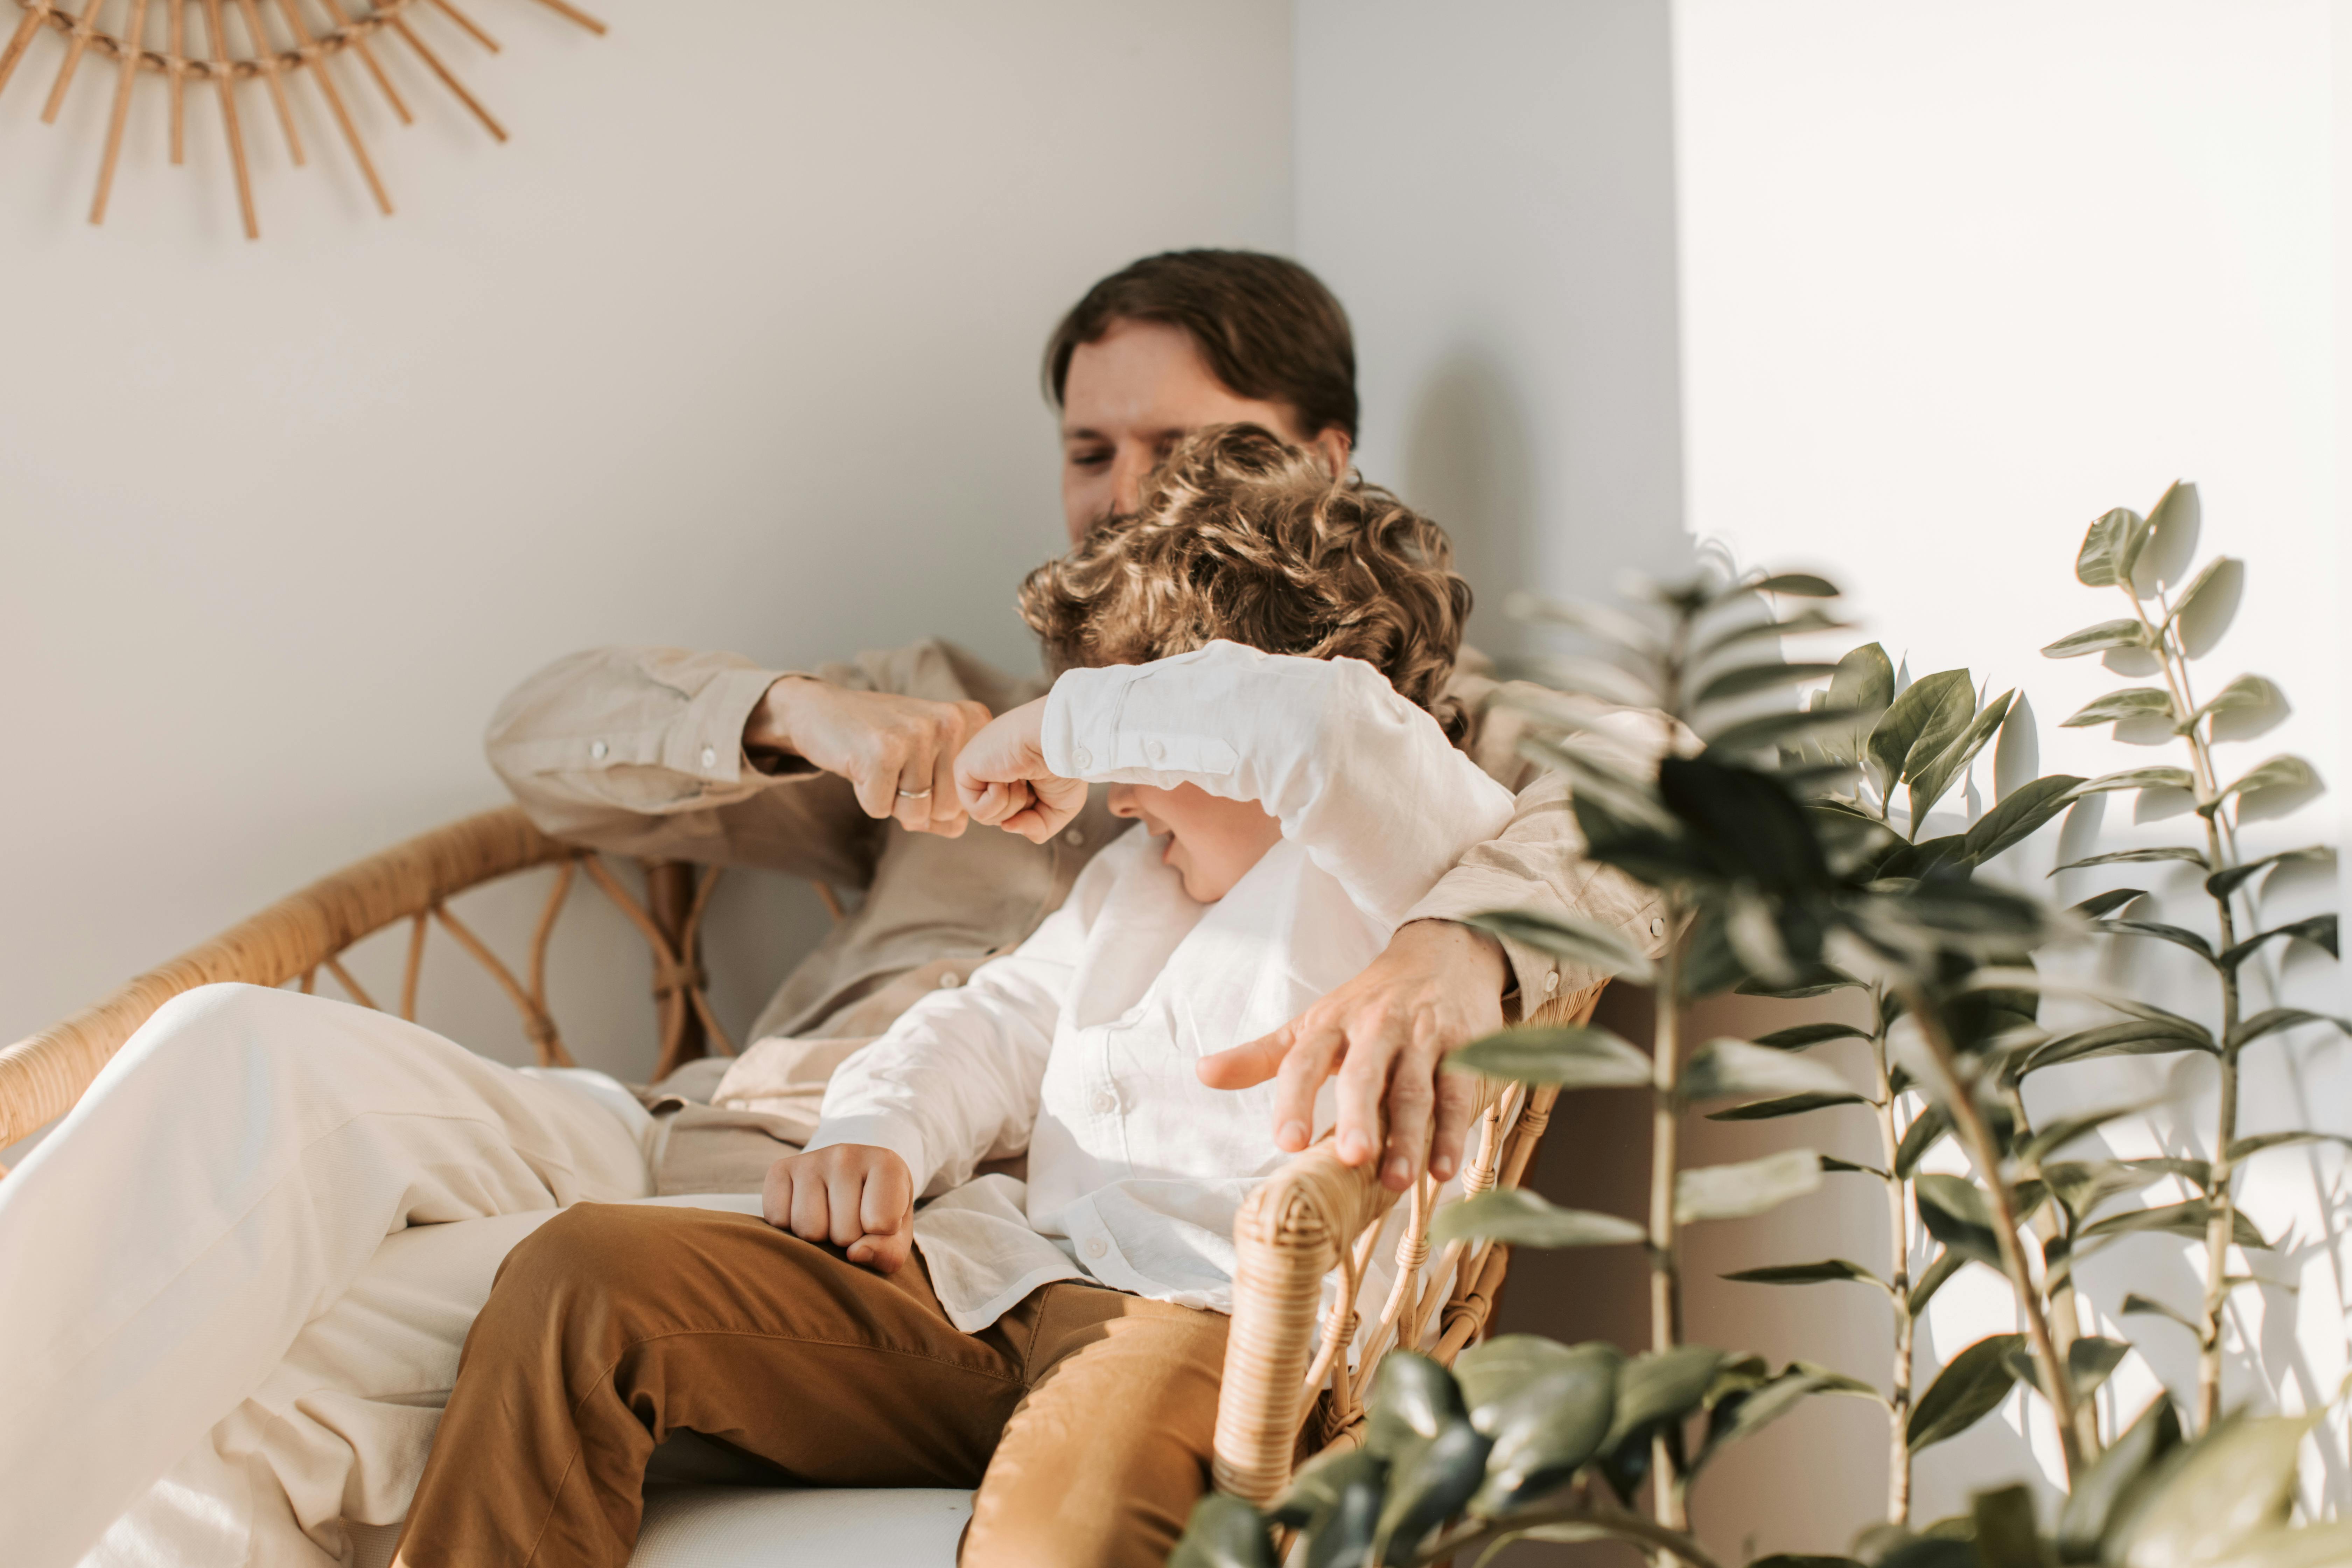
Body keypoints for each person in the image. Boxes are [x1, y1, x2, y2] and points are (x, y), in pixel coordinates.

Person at [0, 250, 1659, 1568]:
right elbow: (548, 743)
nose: (1119, 490)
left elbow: (1631, 788)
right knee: (228, 1053)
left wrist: (1456, 942)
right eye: (1091, 451)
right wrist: (810, 716)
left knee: (219, 1377)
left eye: (1184, 450)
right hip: (701, 1155)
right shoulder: (989, 752)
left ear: (1320, 460)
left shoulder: (1430, 760)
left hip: (986, 1274)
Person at [390, 425, 1517, 1567]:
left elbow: (1320, 725)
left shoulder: (1403, 850)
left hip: (1205, 1325)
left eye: (1133, 739)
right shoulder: (1134, 884)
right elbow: (993, 1022)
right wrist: (875, 1134)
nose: (1116, 798)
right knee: (584, 1278)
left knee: (1062, 1539)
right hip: (997, 1277)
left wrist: (1058, 728)